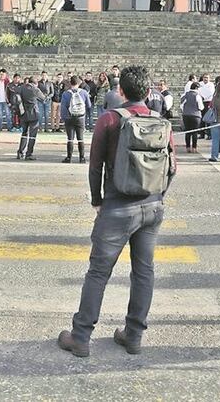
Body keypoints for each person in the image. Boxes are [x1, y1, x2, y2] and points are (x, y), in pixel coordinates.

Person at [58, 65, 176, 358]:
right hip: (151, 206)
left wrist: (97, 200)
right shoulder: (161, 121)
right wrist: (159, 195)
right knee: (144, 271)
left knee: (98, 272)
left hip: (117, 206)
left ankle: (81, 336)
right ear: (148, 92)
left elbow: (95, 164)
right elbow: (172, 167)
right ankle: (133, 336)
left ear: (120, 91)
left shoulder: (110, 119)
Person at [61, 75, 92, 163]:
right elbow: (89, 105)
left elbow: (63, 107)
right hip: (81, 118)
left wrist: (64, 118)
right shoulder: (84, 92)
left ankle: (69, 157)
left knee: (70, 138)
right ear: (78, 83)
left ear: (70, 83)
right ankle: (82, 158)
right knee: (80, 138)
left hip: (70, 117)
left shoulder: (66, 93)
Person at [16, 77, 43, 160]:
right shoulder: (35, 89)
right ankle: (29, 153)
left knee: (24, 133)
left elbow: (16, 99)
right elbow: (43, 98)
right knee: (32, 135)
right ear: (35, 83)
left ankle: (20, 152)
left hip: (23, 113)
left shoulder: (21, 88)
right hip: (33, 114)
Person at [181, 82, 204, 152]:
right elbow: (201, 107)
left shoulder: (185, 94)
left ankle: (187, 147)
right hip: (195, 115)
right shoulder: (197, 96)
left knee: (187, 132)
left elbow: (181, 105)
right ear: (197, 88)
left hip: (186, 115)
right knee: (195, 132)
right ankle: (194, 148)